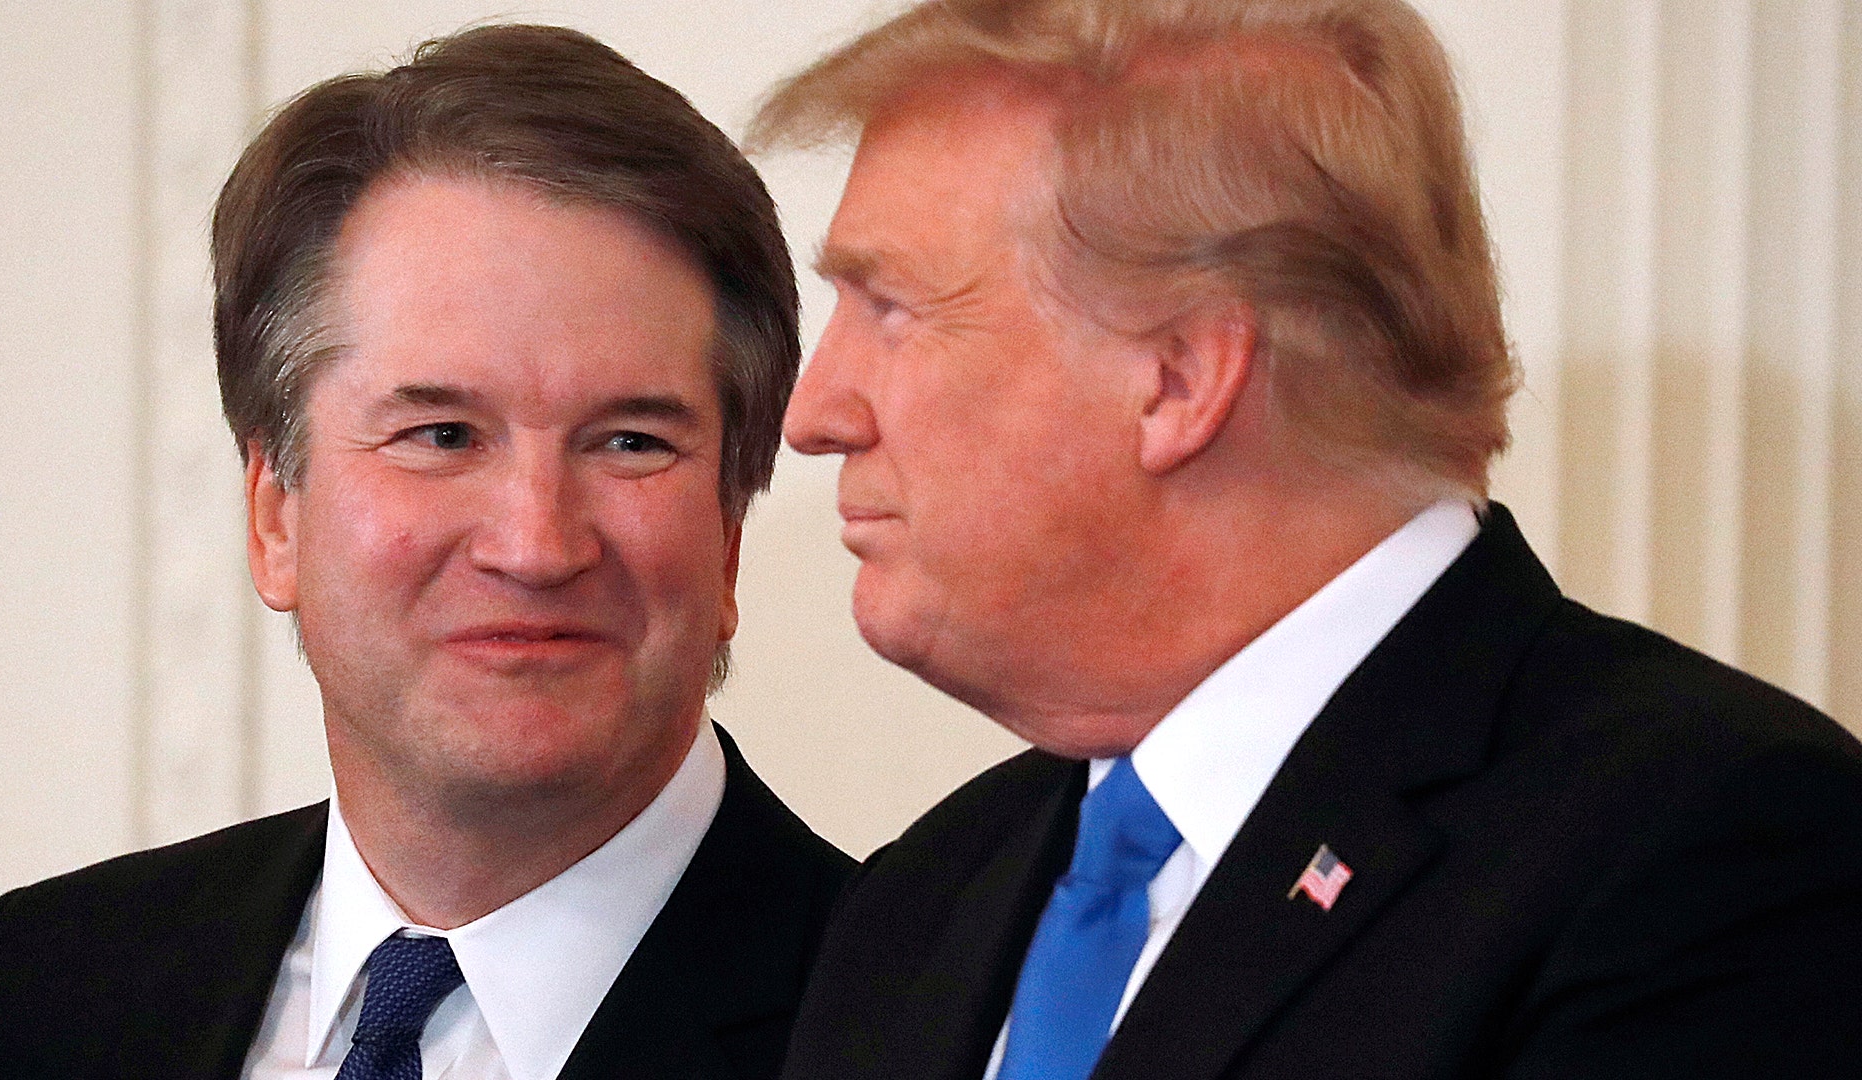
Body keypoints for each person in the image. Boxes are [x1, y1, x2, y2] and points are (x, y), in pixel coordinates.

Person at [749, 0, 1862, 1077]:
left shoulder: (1710, 855)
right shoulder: (923, 905)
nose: (816, 411)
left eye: (890, 308)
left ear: (1177, 378)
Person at [0, 24, 852, 1080]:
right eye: (443, 436)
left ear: (729, 531)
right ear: (274, 517)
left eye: (629, 443)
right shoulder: (51, 990)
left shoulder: (912, 1024)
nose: (537, 543)